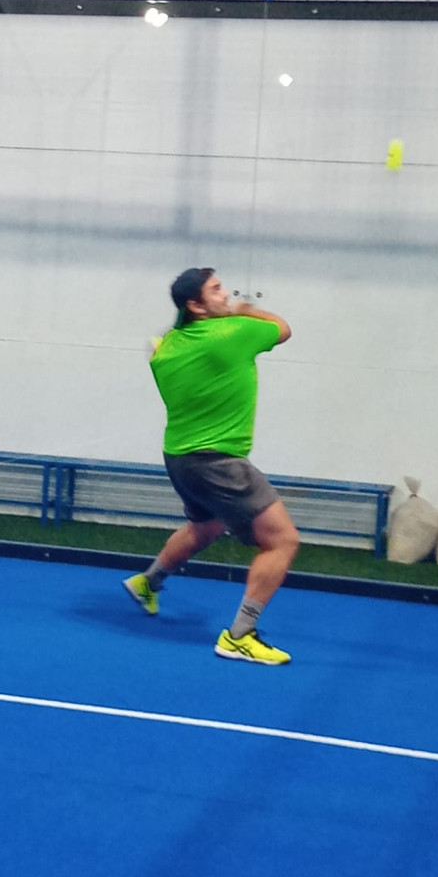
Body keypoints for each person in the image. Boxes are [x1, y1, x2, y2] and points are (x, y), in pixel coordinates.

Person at [123, 267, 299, 664]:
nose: (226, 295)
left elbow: (162, 340)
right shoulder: (232, 332)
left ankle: (148, 582)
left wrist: (223, 311)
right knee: (282, 541)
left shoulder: (166, 347)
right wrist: (246, 309)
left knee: (206, 526)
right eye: (217, 290)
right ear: (196, 305)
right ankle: (240, 635)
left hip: (180, 459)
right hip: (218, 461)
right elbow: (284, 329)